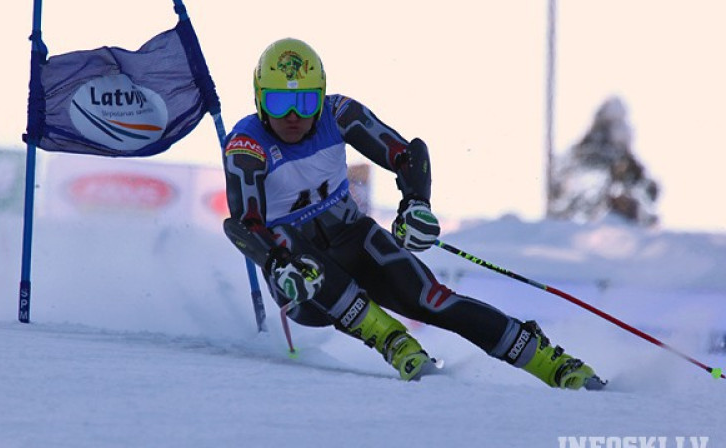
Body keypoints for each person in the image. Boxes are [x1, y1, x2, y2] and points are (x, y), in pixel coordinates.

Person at [222, 37, 604, 389]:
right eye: (278, 102)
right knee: (293, 247)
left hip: (351, 239)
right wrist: (274, 262)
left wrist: (415, 205)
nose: (292, 116)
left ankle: (551, 362)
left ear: (320, 98)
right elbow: (244, 224)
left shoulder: (339, 114)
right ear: (259, 100)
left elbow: (408, 155)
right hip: (299, 280)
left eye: (305, 103)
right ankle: (394, 341)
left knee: (431, 298)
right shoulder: (246, 145)